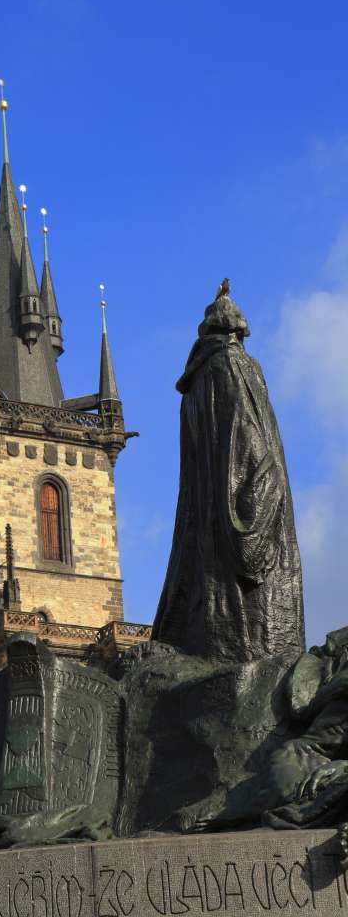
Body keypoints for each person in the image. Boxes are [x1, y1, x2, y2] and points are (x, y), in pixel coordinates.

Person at [153, 283, 304, 664]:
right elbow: (254, 439)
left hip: (206, 524)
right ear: (236, 331)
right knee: (260, 635)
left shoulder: (194, 385)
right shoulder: (236, 364)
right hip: (240, 509)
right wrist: (260, 498)